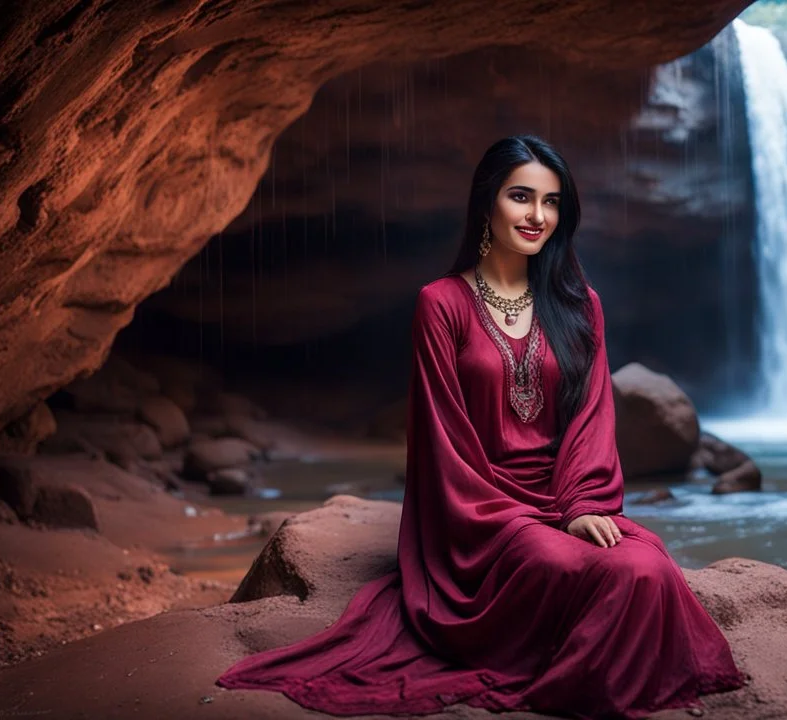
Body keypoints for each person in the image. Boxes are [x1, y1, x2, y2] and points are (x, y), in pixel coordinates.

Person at [215, 135, 748, 718]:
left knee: (644, 566)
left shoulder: (579, 304)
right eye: (521, 197)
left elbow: (592, 418)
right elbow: (442, 441)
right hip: (479, 513)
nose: (537, 216)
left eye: (551, 202)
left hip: (564, 496)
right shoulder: (441, 303)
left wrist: (580, 505)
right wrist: (516, 520)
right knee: (562, 564)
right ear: (485, 203)